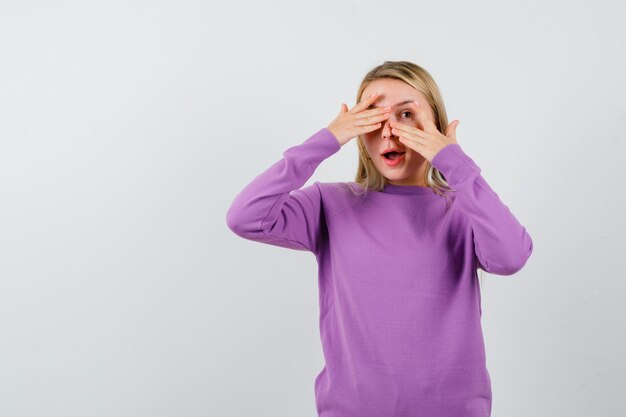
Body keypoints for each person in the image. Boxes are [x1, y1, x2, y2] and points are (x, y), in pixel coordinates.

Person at [225, 60, 533, 417]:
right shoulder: (329, 204)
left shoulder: (465, 208)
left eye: (406, 115)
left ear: (434, 126)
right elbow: (245, 216)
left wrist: (454, 162)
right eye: (371, 118)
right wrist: (326, 140)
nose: (388, 132)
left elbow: (512, 256)